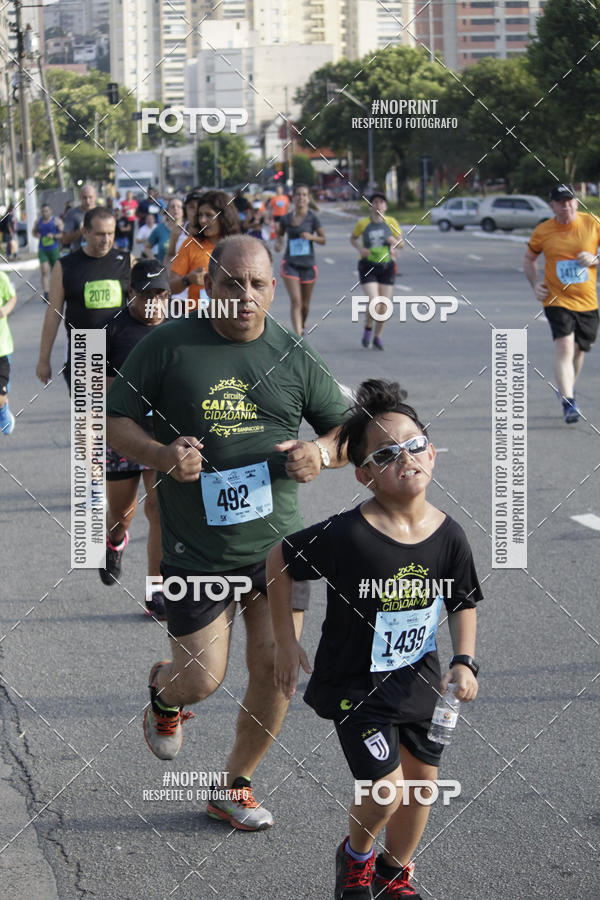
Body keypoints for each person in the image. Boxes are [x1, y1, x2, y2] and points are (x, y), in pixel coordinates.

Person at [106, 234, 349, 831]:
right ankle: (165, 697)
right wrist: (161, 455)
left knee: (276, 673)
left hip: (278, 550)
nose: (244, 297)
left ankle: (234, 785)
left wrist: (320, 451)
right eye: (230, 284)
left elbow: (349, 433)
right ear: (207, 286)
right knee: (201, 679)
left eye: (258, 284)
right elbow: (113, 422)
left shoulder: (293, 353)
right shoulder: (169, 345)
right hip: (197, 554)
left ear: (273, 287)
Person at [267, 379, 482, 899]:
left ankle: (394, 872)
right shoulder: (347, 534)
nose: (404, 457)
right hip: (357, 686)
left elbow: (462, 600)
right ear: (364, 476)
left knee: (422, 786)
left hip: (420, 683)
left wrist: (465, 661)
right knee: (384, 790)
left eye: (413, 445)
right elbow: (281, 559)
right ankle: (356, 858)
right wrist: (284, 639)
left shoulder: (449, 534)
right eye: (386, 454)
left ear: (431, 453)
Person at [100, 259, 167, 620]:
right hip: (123, 431)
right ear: (131, 294)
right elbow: (98, 389)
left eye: (160, 294)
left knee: (158, 510)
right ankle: (114, 541)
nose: (153, 301)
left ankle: (156, 592)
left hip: (162, 434)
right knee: (121, 514)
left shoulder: (176, 330)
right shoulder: (112, 329)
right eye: (146, 294)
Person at [524, 183, 600, 424]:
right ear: (552, 206)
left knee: (579, 350)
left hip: (587, 300)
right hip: (556, 298)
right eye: (560, 202)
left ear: (576, 203)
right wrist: (535, 284)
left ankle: (567, 388)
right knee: (565, 347)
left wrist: (595, 258)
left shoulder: (593, 224)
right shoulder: (544, 230)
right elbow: (529, 259)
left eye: (569, 201)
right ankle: (569, 402)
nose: (565, 206)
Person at [36, 206, 132, 393]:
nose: (106, 240)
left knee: (122, 416)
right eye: (100, 234)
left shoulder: (126, 261)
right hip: (85, 347)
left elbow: (140, 309)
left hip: (121, 346)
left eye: (111, 233)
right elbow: (54, 314)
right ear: (84, 232)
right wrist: (43, 359)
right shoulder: (65, 266)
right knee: (89, 418)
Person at [351, 192, 404, 351]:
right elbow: (353, 238)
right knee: (374, 301)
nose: (378, 205)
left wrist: (393, 241)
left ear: (386, 206)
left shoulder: (391, 222)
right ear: (370, 206)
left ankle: (377, 336)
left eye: (381, 202)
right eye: (375, 202)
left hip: (386, 266)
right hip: (368, 265)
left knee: (384, 306)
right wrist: (361, 248)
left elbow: (401, 244)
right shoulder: (363, 223)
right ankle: (368, 327)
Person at [169, 190, 240, 309]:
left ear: (223, 216)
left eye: (209, 215)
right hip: (198, 319)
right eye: (200, 215)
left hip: (232, 317)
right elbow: (170, 286)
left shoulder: (239, 246)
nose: (202, 220)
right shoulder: (191, 245)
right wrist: (188, 280)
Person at [275, 184, 325, 335]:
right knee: (296, 301)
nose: (301, 197)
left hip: (308, 265)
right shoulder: (285, 219)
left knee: (304, 304)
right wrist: (278, 244)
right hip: (290, 264)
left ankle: (302, 325)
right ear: (293, 198)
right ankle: (297, 336)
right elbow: (279, 237)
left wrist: (312, 237)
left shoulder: (313, 218)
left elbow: (323, 240)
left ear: (308, 198)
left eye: (304, 195)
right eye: (298, 194)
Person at [33, 204, 63, 300]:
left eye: (46, 211)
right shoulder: (38, 221)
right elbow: (33, 232)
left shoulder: (56, 221)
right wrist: (36, 234)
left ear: (51, 211)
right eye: (43, 211)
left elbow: (63, 234)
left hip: (54, 249)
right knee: (44, 271)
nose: (44, 213)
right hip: (43, 250)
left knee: (55, 272)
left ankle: (57, 291)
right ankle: (46, 293)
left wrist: (54, 236)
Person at [0, 271, 17, 435]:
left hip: (1, 348)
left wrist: (5, 309)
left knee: (0, 397)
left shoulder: (1, 278)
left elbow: (12, 297)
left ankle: (3, 407)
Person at [145, 196, 183, 264]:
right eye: (172, 207)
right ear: (167, 211)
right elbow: (147, 247)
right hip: (165, 271)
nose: (175, 209)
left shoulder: (189, 229)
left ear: (183, 211)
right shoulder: (160, 229)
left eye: (179, 207)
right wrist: (154, 261)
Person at [62, 184, 97, 253]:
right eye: (84, 198)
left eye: (90, 197)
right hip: (79, 254)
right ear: (79, 197)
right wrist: (80, 231)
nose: (87, 201)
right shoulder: (72, 214)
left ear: (95, 196)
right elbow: (65, 239)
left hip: (98, 254)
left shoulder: (102, 213)